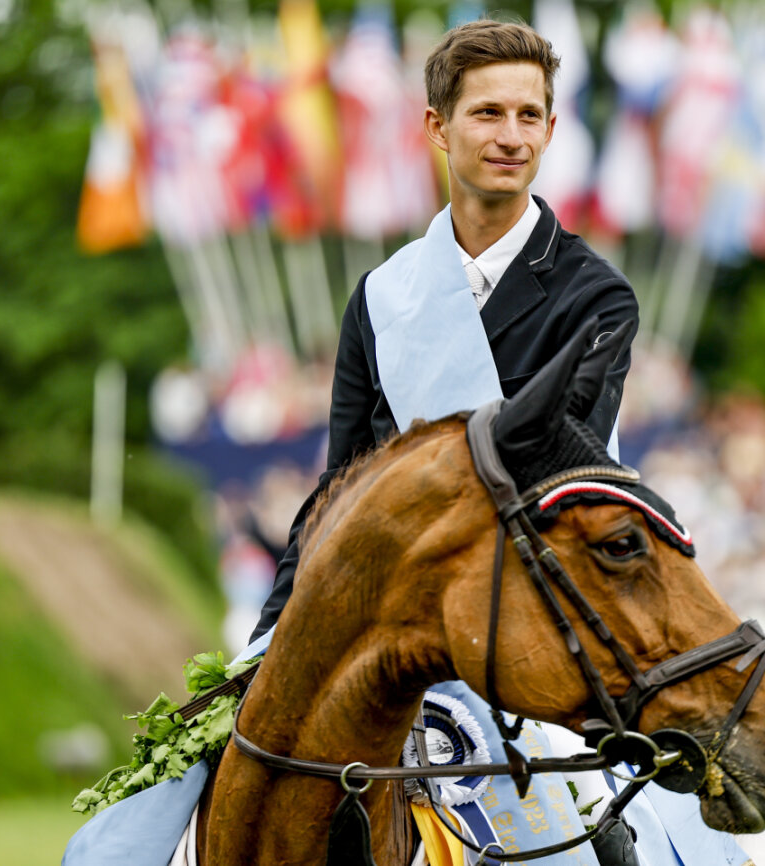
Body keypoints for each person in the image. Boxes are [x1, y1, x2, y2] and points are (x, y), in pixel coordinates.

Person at [249, 18, 638, 642]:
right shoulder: (379, 295)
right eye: (488, 113)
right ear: (438, 127)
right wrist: (266, 645)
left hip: (547, 620)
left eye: (529, 116)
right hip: (392, 624)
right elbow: (340, 488)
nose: (512, 138)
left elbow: (560, 485)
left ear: (551, 130)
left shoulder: (598, 296)